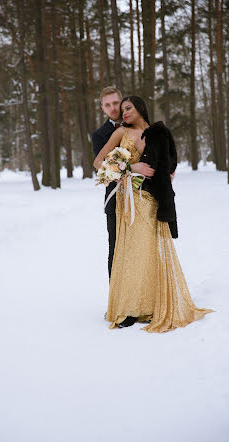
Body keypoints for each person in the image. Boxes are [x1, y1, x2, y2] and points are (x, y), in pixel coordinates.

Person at [94, 95, 213, 333]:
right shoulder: (120, 134)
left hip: (151, 200)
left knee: (150, 252)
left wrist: (162, 169)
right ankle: (128, 309)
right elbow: (99, 162)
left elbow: (168, 166)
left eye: (128, 108)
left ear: (140, 109)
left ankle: (150, 306)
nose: (123, 112)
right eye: (122, 108)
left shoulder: (158, 133)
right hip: (127, 201)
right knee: (129, 252)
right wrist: (131, 166)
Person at [92, 87, 155, 279]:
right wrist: (131, 168)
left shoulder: (141, 125)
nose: (112, 108)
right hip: (116, 199)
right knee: (117, 249)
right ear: (102, 108)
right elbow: (101, 167)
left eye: (115, 103)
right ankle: (117, 304)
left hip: (145, 197)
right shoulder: (99, 135)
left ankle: (144, 300)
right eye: (107, 105)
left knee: (145, 249)